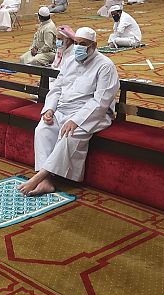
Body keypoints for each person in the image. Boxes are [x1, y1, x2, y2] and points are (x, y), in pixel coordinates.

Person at [18, 27, 119, 196]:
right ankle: (46, 182)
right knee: (43, 129)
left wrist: (76, 120)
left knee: (69, 135)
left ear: (94, 45)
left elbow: (101, 101)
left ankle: (40, 175)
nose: (78, 47)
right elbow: (57, 88)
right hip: (64, 109)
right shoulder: (70, 60)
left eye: (83, 44)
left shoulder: (105, 66)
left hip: (91, 115)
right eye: (76, 43)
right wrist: (50, 109)